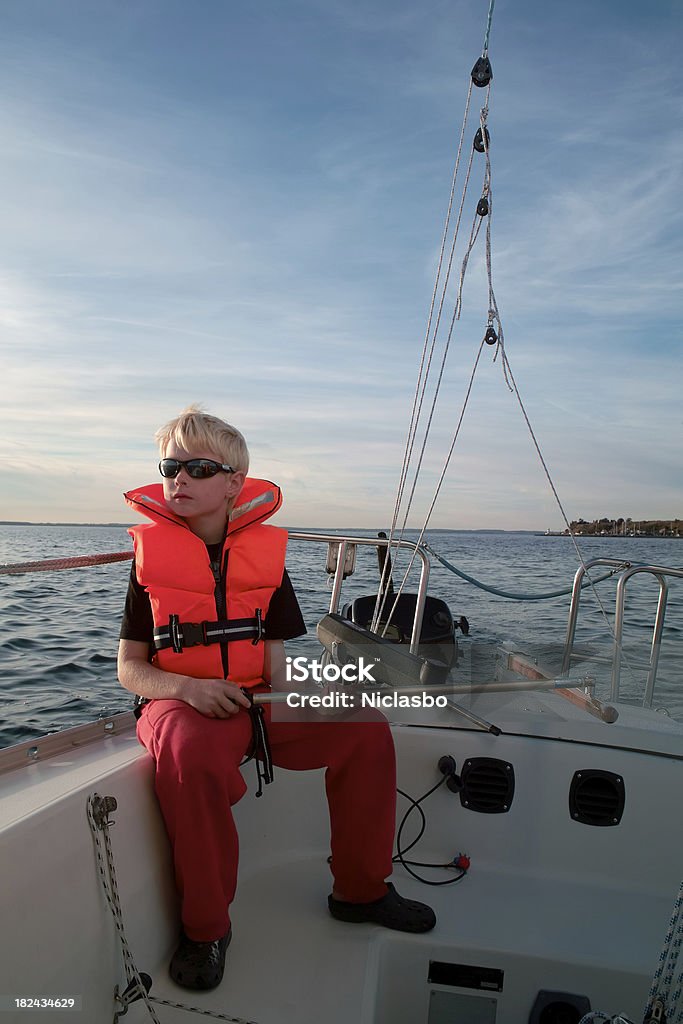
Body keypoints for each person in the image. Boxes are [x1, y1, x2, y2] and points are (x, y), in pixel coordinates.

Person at [117, 405, 435, 992]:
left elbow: (276, 661)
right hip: (179, 700)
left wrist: (311, 695)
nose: (179, 480)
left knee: (364, 726)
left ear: (235, 482)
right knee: (188, 757)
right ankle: (208, 929)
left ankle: (360, 892)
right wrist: (186, 687)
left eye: (199, 468)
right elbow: (130, 669)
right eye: (170, 467)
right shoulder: (148, 564)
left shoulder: (266, 560)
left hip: (256, 697)